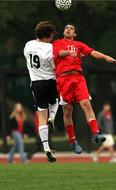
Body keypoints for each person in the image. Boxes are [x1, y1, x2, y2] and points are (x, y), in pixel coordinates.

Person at [53, 23, 116, 154]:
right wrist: (68, 52)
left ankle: (96, 134)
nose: (68, 29)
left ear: (75, 34)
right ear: (63, 31)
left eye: (71, 28)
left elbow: (92, 52)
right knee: (67, 110)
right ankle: (73, 142)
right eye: (66, 27)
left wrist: (105, 57)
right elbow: (59, 53)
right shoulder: (57, 43)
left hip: (78, 78)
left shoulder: (79, 45)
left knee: (86, 104)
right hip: (63, 79)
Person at [24, 20, 58, 162]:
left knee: (41, 117)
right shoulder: (50, 48)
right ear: (49, 35)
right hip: (50, 81)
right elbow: (53, 66)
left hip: (36, 84)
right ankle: (53, 117)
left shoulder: (28, 45)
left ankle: (46, 148)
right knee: (55, 101)